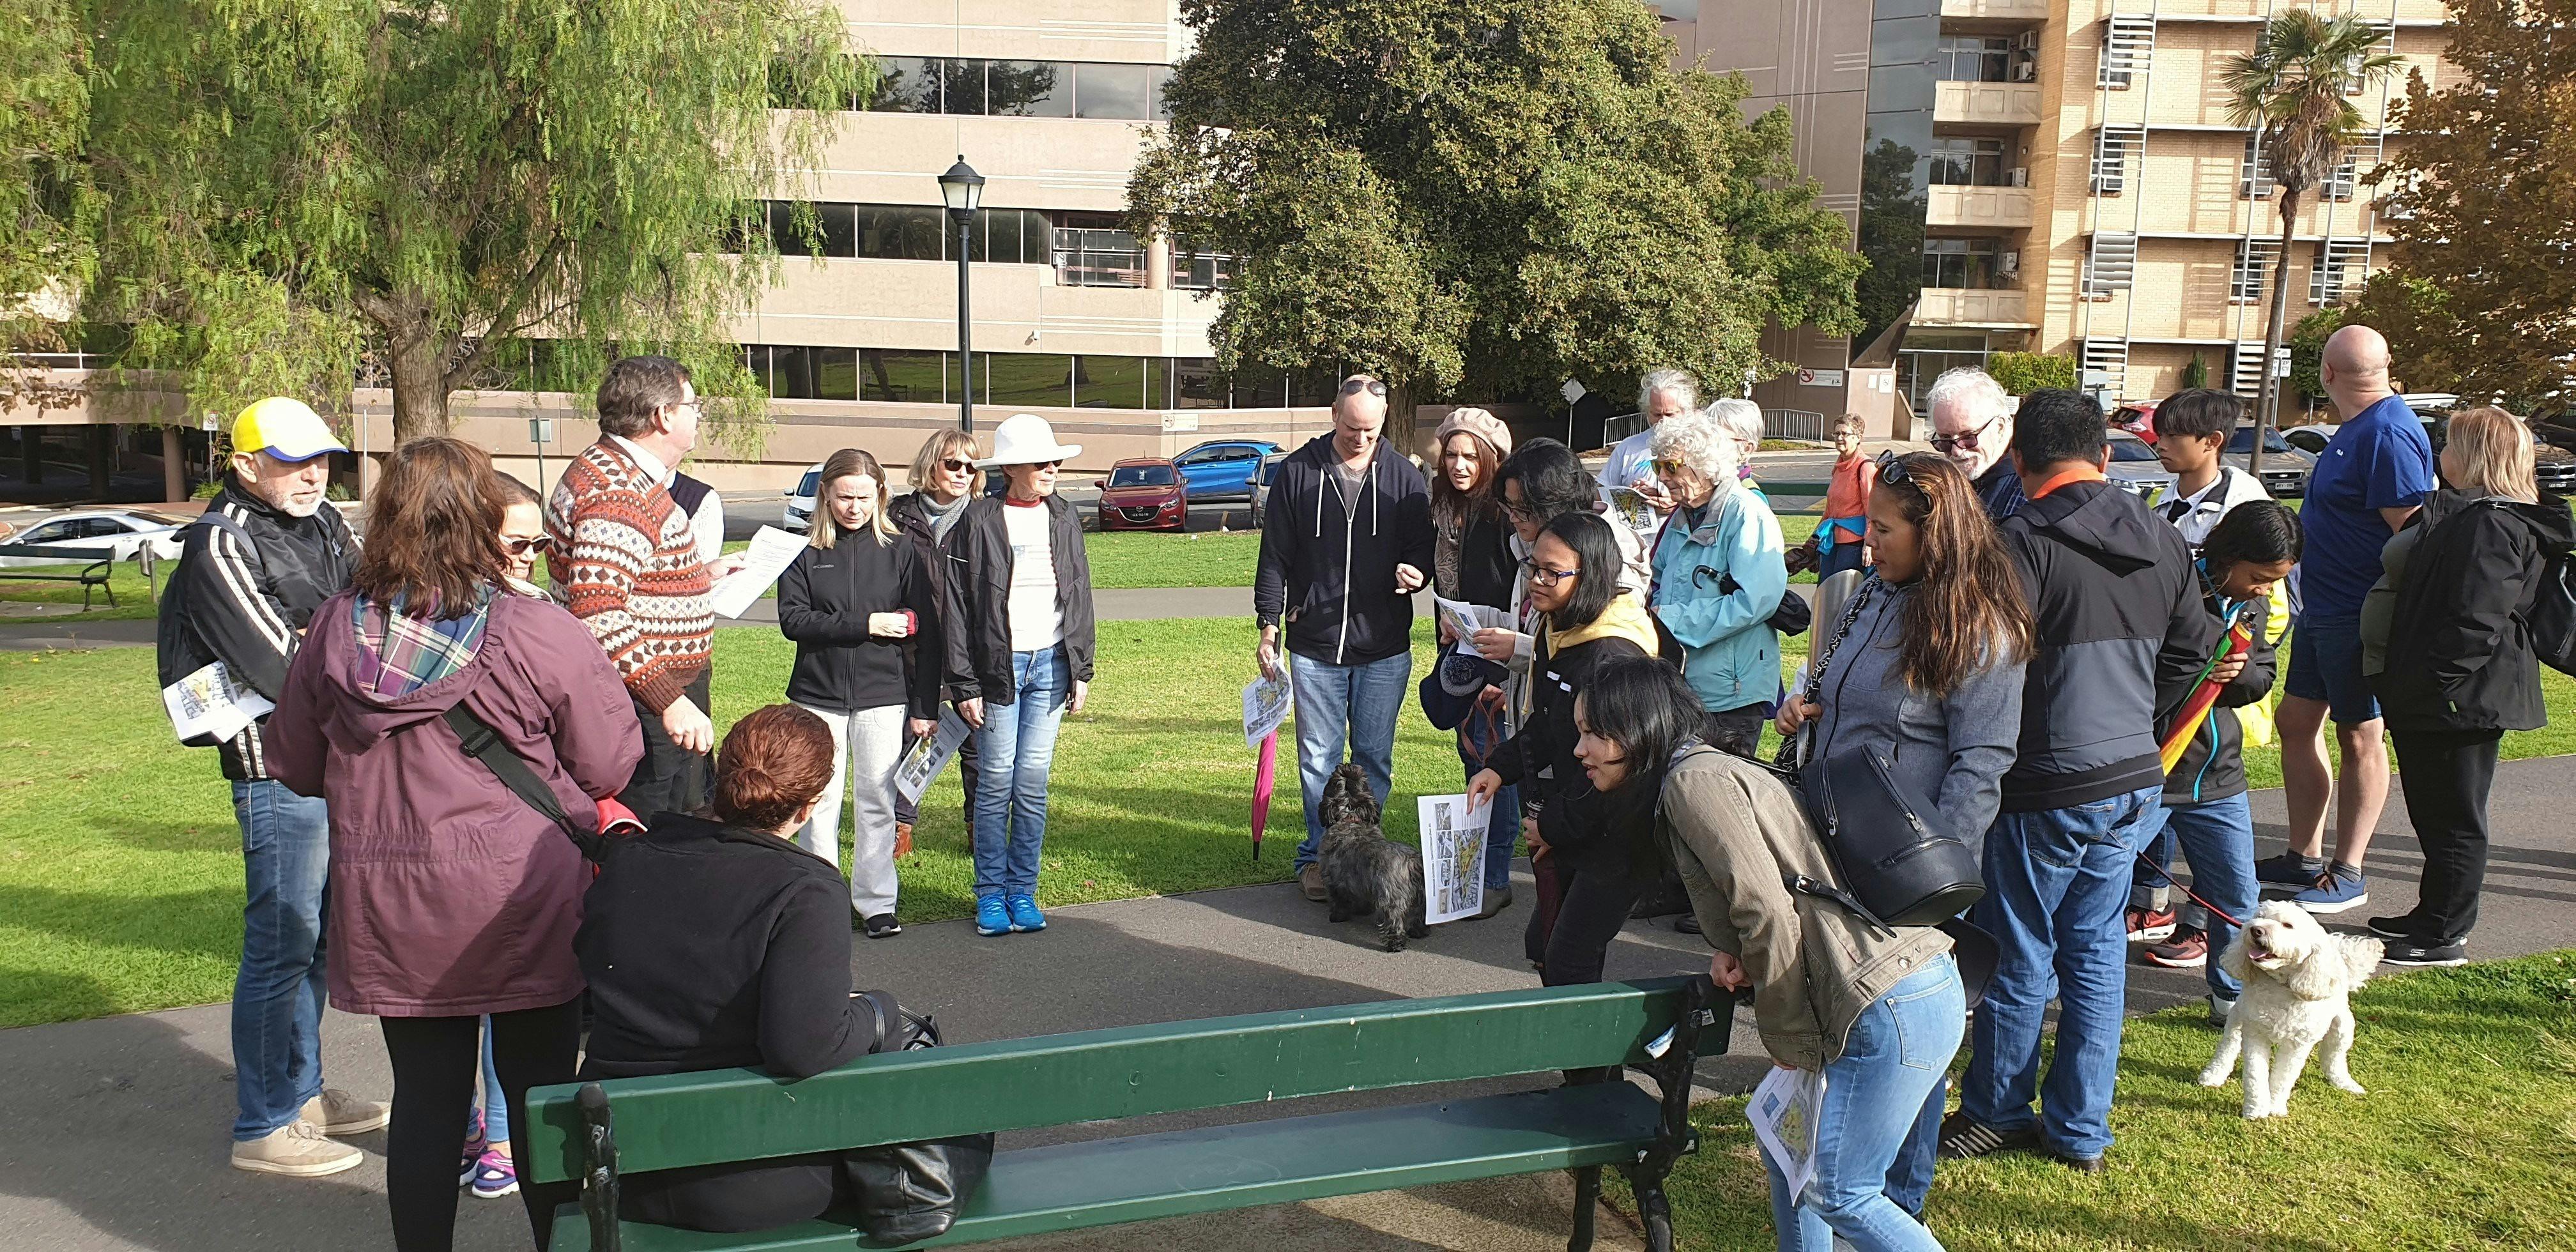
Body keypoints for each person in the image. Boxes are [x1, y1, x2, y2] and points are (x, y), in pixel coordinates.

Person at [263, 436, 643, 1251]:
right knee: (542, 1097)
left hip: (395, 902)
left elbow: (292, 760)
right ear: (479, 517)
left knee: (428, 1102)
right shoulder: (536, 630)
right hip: (523, 895)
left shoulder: (335, 630)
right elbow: (609, 759)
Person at [1593, 658, 1967, 1252]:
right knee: (1786, 1148)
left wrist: (1791, 1040)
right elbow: (1780, 888)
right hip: (1903, 989)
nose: (1583, 749)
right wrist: (1734, 952)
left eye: (1596, 732)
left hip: (1884, 1004)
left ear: (1640, 730)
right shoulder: (1707, 772)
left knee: (1841, 1191)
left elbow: (1765, 908)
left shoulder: (1692, 782)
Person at [1942, 390, 2216, 1172]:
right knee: (2093, 948)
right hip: (2130, 772)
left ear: (2019, 461)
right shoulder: (2162, 535)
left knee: (2019, 946)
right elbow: (2194, 652)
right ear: (2104, 456)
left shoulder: (2017, 538)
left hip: (2049, 780)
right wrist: (2141, 718)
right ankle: (2080, 1125)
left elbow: (1977, 667)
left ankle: (2000, 1108)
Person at [1772, 451, 2031, 1218]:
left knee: (1904, 1039)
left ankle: (1896, 1198)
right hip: (1838, 853)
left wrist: (1929, 882)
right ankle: (1836, 1176)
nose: (1868, 540)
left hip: (1909, 874)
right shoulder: (1877, 596)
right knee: (1849, 1027)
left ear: (1936, 533)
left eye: (1883, 528)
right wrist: (1801, 711)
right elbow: (1838, 692)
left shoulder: (1982, 625)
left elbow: (1982, 764)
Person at [154, 395, 379, 1177]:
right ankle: (264, 1120)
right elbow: (286, 664)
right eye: (291, 460)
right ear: (246, 465)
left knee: (316, 940)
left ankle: (305, 1092)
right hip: (276, 766)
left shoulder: (322, 524)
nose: (313, 473)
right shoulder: (221, 543)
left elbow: (368, 607)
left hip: (333, 759)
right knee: (281, 941)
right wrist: (365, 673)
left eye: (320, 457)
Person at [577, 704, 883, 1234]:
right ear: (809, 809)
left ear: (720, 781)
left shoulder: (628, 860)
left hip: (618, 1165)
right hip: (750, 1175)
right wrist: (882, 1015)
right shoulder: (805, 890)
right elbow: (804, 1047)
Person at [2368, 408, 2572, 966]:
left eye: (2450, 445)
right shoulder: (2480, 515)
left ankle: (2444, 932)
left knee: (2454, 816)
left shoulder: (2493, 524)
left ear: (2476, 456)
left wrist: (2434, 683)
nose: (2441, 455)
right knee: (2436, 812)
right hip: (2452, 689)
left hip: (2463, 696)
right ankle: (2433, 912)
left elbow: (2477, 618)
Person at [2272, 325, 2436, 913]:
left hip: (2359, 615)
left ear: (2327, 374)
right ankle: (2303, 856)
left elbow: (2411, 538)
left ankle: (2350, 870)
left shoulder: (2389, 432)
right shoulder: (2359, 429)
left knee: (2361, 735)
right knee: (2296, 720)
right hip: (2324, 608)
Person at [1253, 374, 1435, 904]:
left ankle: (1367, 859)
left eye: (1372, 431)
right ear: (1334, 415)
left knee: (1374, 757)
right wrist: (1270, 623)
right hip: (1314, 646)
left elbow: (1424, 546)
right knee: (1318, 758)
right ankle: (1320, 857)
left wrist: (1417, 573)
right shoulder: (1297, 473)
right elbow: (1275, 557)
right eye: (1352, 427)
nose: (1361, 438)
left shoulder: (1404, 477)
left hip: (1384, 648)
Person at [1466, 511, 1669, 986]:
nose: (1536, 581)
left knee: (1567, 958)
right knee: (1547, 948)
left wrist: (1551, 828)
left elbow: (1615, 773)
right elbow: (1550, 723)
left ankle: (1633, 1057)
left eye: (1552, 572)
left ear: (1591, 574)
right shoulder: (1557, 628)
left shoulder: (1612, 654)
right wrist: (1498, 769)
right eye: (1533, 567)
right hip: (1574, 824)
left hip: (1617, 834)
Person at [546, 355, 743, 820]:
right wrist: (668, 701)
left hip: (647, 700)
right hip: (639, 707)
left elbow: (622, 577)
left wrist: (696, 578)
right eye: (694, 404)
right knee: (646, 841)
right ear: (663, 415)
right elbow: (597, 609)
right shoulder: (617, 490)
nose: (699, 416)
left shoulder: (624, 474)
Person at [2130, 501, 2301, 1019]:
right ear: (2228, 559)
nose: (2266, 590)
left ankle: (2230, 1001)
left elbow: (2262, 676)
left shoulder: (2254, 605)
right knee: (2100, 882)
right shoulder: (2173, 586)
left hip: (2219, 775)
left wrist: (2238, 671)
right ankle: (2058, 985)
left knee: (2236, 894)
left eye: (2277, 581)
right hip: (2153, 768)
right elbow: (2144, 673)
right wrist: (2204, 666)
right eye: (2260, 577)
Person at [779, 448, 943, 939]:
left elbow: (927, 634)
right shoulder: (803, 551)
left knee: (877, 799)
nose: (854, 507)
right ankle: (819, 904)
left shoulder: (900, 551)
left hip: (883, 694)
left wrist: (924, 707)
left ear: (881, 497)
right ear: (825, 495)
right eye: (845, 497)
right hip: (816, 695)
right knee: (818, 802)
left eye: (864, 498)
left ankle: (876, 904)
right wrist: (866, 623)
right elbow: (794, 620)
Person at [947, 413, 1097, 937]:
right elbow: (958, 607)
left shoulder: (1064, 515)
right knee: (994, 784)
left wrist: (1081, 669)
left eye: (1055, 460)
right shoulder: (979, 519)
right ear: (1011, 468)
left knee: (1031, 786)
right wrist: (964, 683)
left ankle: (1022, 893)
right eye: (1042, 461)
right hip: (998, 669)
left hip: (1052, 666)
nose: (1052, 468)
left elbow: (1079, 593)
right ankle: (990, 896)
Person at [1644, 407, 1787, 758]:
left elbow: (1756, 600)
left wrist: (1671, 620)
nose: (1662, 476)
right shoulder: (1682, 516)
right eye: (1656, 465)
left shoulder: (1745, 512)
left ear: (1703, 464)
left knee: (1719, 796)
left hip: (1732, 694)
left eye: (1671, 466)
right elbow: (1657, 579)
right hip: (1682, 685)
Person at [1429, 407, 1521, 917]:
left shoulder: (1504, 516)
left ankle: (1495, 877)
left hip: (1500, 661)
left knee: (1496, 766)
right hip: (1458, 654)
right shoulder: (1444, 510)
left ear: (1491, 459)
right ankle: (1479, 874)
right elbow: (1444, 581)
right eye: (1451, 455)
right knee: (1475, 761)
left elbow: (1519, 596)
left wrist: (1504, 672)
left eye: (1471, 456)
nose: (1459, 465)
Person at [890, 429, 985, 849]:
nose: (963, 473)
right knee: (914, 739)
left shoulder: (984, 517)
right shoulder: (896, 515)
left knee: (978, 745)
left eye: (971, 466)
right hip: (912, 650)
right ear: (932, 465)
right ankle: (901, 828)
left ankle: (978, 830)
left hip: (971, 649)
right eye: (953, 463)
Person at [2147, 389, 2271, 547]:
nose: (2161, 446)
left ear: (2213, 441)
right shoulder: (2156, 500)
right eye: (2160, 436)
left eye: (2172, 436)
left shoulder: (2245, 512)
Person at [1925, 367, 2023, 521]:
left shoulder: (2025, 487)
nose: (1957, 451)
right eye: (1945, 440)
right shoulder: (1944, 484)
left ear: (2000, 427)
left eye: (1968, 437)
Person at [1598, 368, 1700, 512]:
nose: (1663, 421)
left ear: (1687, 411)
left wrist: (1677, 505)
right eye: (1657, 414)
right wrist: (1629, 496)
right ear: (1647, 411)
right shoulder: (1629, 447)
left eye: (1670, 414)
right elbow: (1601, 493)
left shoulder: (1702, 447)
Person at [1796, 414, 1877, 578]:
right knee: (1826, 591)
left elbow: (1873, 509)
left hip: (1853, 544)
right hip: (1832, 541)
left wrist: (1869, 544)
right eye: (1836, 434)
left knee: (1842, 593)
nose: (1839, 438)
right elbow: (1830, 510)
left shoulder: (1865, 467)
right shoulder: (1839, 467)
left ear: (1858, 438)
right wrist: (1814, 538)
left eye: (1845, 434)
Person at [1705, 397, 1768, 494]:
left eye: (1719, 440)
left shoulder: (1749, 496)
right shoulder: (1708, 484)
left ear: (1746, 449)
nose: (1708, 445)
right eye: (1706, 437)